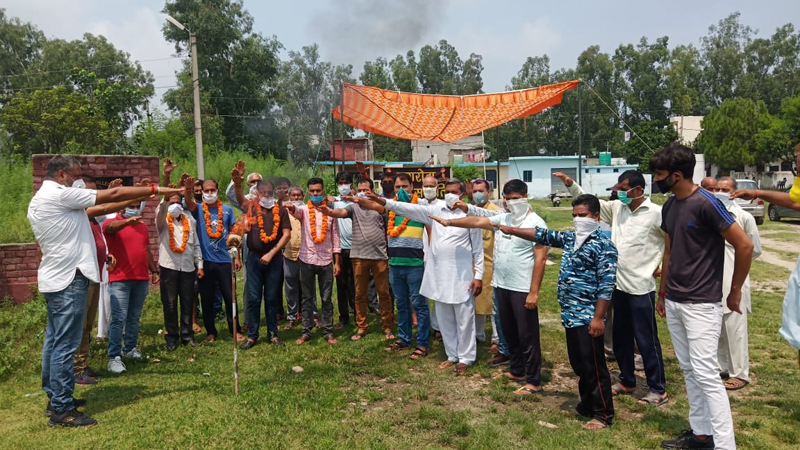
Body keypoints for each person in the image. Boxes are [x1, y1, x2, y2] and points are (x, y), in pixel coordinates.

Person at [28, 155, 182, 427]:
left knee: (54, 341)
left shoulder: (47, 198)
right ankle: (62, 410)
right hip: (70, 278)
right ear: (62, 175)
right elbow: (113, 192)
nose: (80, 180)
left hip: (57, 279)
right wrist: (158, 189)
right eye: (76, 174)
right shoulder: (60, 195)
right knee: (65, 345)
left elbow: (105, 205)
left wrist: (135, 201)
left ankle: (56, 398)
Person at [650, 144, 754, 450]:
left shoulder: (707, 203)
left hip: (702, 303)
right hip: (674, 300)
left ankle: (724, 445)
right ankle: (700, 435)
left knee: (707, 374)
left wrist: (734, 292)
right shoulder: (670, 205)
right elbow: (669, 250)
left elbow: (744, 246)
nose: (654, 178)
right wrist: (662, 292)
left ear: (677, 175)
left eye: (658, 173)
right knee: (688, 370)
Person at [492, 194, 618, 430]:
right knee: (579, 364)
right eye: (574, 216)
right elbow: (541, 235)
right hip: (570, 314)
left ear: (596, 216)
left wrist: (599, 318)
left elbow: (607, 284)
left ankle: (602, 414)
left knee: (593, 365)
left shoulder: (604, 245)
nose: (578, 220)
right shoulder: (571, 238)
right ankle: (587, 403)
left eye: (583, 215)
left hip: (588, 315)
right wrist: (510, 229)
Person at [554, 170, 668, 407]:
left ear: (638, 190)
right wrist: (570, 184)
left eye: (623, 189)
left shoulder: (657, 214)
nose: (618, 193)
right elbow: (589, 203)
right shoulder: (618, 209)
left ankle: (658, 388)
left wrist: (660, 270)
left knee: (646, 340)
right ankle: (627, 380)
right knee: (620, 338)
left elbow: (671, 245)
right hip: (615, 285)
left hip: (640, 286)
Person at [430, 179, 548, 396]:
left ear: (526, 196)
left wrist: (533, 292)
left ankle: (534, 381)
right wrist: (450, 223)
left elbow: (540, 259)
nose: (512, 202)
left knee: (527, 335)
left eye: (516, 198)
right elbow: (476, 221)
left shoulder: (536, 222)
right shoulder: (504, 217)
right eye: (508, 198)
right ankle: (517, 370)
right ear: (503, 198)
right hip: (502, 284)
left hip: (522, 287)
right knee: (509, 331)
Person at [356, 177, 483, 375]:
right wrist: (383, 201)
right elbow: (407, 209)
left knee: (465, 319)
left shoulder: (469, 215)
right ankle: (452, 355)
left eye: (455, 192)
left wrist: (479, 275)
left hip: (462, 277)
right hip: (439, 275)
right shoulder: (435, 211)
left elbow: (478, 250)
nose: (450, 195)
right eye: (447, 191)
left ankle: (466, 358)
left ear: (462, 194)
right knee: (444, 317)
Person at [318, 178, 397, 345]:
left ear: (372, 191)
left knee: (383, 293)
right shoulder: (353, 207)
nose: (362, 192)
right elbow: (340, 213)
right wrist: (328, 212)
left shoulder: (380, 205)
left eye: (365, 189)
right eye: (360, 189)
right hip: (359, 256)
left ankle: (387, 325)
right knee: (359, 294)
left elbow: (379, 208)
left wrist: (360, 199)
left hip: (379, 256)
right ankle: (362, 326)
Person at [709, 177, 762, 390]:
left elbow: (754, 249)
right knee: (717, 329)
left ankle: (740, 373)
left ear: (734, 192)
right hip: (712, 281)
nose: (720, 192)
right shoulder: (709, 215)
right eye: (717, 189)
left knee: (736, 330)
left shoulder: (743, 217)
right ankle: (722, 367)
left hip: (734, 280)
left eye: (725, 189)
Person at [103, 190, 161, 373]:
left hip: (140, 278)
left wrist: (154, 269)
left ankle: (129, 349)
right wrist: (126, 221)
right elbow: (109, 230)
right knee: (118, 318)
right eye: (131, 207)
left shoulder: (142, 226)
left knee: (134, 318)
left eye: (137, 207)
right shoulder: (110, 223)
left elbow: (145, 249)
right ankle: (114, 357)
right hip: (120, 279)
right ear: (122, 207)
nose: (134, 210)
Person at [184, 176, 244, 344]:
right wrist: (188, 189)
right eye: (206, 190)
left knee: (229, 296)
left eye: (212, 190)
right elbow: (188, 202)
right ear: (201, 192)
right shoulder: (197, 208)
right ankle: (211, 332)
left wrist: (237, 256)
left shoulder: (227, 210)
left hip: (225, 261)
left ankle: (235, 330)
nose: (210, 193)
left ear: (217, 191)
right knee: (207, 297)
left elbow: (233, 234)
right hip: (205, 262)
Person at [234, 180, 293, 349]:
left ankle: (273, 334)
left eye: (270, 193)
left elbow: (286, 235)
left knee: (271, 297)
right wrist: (237, 182)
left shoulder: (281, 211)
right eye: (264, 193)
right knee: (253, 298)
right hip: (253, 260)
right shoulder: (251, 208)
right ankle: (252, 335)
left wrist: (271, 253)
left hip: (274, 260)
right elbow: (239, 198)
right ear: (257, 194)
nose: (267, 196)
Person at [285, 178, 341, 345]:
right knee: (307, 298)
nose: (315, 194)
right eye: (312, 191)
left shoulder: (330, 212)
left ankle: (328, 331)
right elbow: (295, 210)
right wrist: (290, 206)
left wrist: (336, 262)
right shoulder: (303, 210)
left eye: (318, 191)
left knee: (326, 298)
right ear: (308, 192)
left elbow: (336, 238)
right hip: (306, 259)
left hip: (325, 261)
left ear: (323, 191)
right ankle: (306, 332)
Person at [156, 177, 203, 351]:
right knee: (169, 303)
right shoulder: (162, 219)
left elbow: (195, 243)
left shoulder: (189, 219)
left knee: (187, 300)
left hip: (188, 267)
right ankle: (171, 337)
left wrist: (200, 265)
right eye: (171, 201)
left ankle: (187, 335)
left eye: (178, 201)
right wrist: (166, 197)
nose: (175, 205)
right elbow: (161, 210)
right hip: (169, 266)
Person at [469, 179, 504, 358]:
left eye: (481, 190)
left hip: (492, 264)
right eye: (475, 190)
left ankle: (497, 340)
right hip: (474, 265)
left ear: (488, 192)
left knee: (493, 305)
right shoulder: (469, 211)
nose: (477, 194)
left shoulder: (496, 213)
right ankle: (478, 335)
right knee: (476, 303)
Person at [282, 186, 312, 329]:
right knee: (290, 287)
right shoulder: (283, 211)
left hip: (306, 254)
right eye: (293, 196)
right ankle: (292, 316)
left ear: (303, 196)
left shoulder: (307, 210)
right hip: (289, 254)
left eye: (299, 195)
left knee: (308, 287)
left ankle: (312, 315)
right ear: (289, 196)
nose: (296, 198)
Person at [332, 172, 356, 329]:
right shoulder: (333, 202)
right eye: (340, 183)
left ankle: (358, 313)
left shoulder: (357, 201)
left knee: (355, 284)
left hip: (356, 248)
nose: (343, 186)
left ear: (351, 185)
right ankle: (343, 316)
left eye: (346, 182)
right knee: (341, 284)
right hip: (339, 249)